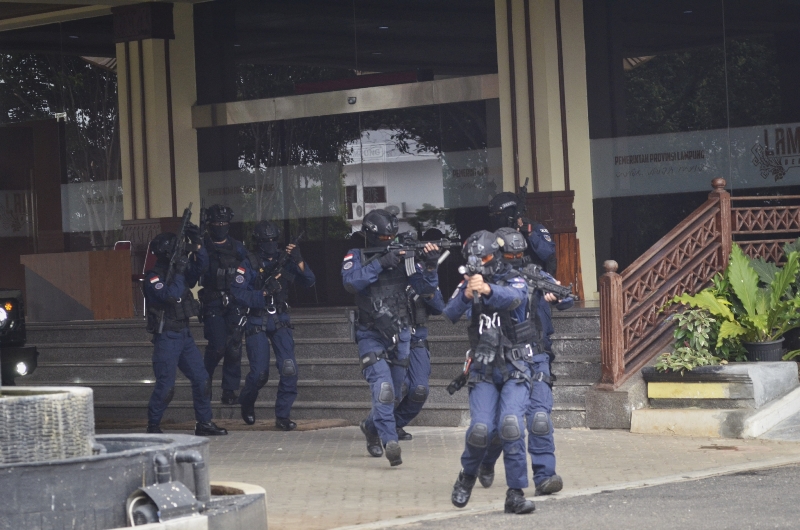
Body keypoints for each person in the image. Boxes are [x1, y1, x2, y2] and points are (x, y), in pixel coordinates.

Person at [444, 230, 536, 515]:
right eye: (475, 260)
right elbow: (449, 313)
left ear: (494, 257)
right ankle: (467, 476)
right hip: (483, 369)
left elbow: (516, 298)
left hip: (514, 366)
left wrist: (488, 290)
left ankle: (515, 493)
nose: (479, 264)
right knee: (481, 429)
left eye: (483, 259)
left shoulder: (514, 277)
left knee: (510, 426)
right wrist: (468, 293)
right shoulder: (468, 282)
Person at [341, 209, 440, 467]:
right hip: (371, 333)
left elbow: (427, 290)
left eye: (391, 237)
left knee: (398, 393)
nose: (389, 242)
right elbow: (351, 283)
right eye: (384, 238)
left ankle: (372, 427)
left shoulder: (404, 257)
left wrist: (430, 266)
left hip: (402, 333)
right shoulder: (356, 256)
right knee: (384, 390)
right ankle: (389, 441)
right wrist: (380, 263)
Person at [476, 227, 571, 496]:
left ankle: (545, 476)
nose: (516, 258)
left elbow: (567, 298)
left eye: (520, 253)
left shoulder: (535, 274)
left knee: (539, 417)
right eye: (510, 253)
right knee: (506, 424)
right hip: (503, 359)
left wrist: (559, 297)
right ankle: (485, 461)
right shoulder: (486, 280)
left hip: (537, 355)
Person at [230, 220, 316, 430]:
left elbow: (309, 281)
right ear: (258, 241)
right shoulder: (248, 262)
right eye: (265, 241)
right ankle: (247, 402)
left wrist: (298, 259)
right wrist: (264, 293)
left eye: (272, 240)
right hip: (256, 318)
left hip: (280, 318)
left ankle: (283, 416)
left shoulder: (285, 260)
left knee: (289, 368)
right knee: (259, 373)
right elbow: (237, 293)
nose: (270, 244)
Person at [143, 230, 228, 437]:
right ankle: (153, 426)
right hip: (168, 336)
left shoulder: (178, 271)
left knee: (202, 380)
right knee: (166, 386)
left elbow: (200, 269)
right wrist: (179, 272)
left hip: (184, 334)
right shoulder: (154, 277)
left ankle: (204, 423)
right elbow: (169, 296)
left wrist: (198, 246)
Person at [393, 231, 446, 441]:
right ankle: (381, 426)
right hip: (391, 339)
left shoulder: (422, 273)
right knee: (392, 391)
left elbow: (439, 307)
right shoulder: (385, 272)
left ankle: (394, 424)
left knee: (419, 390)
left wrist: (427, 285)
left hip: (416, 339)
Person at [198, 204, 248, 405]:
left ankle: (229, 391)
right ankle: (204, 382)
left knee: (234, 347)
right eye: (216, 223)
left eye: (224, 223)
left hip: (234, 300)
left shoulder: (237, 247)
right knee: (217, 346)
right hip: (213, 302)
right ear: (209, 225)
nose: (220, 226)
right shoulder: (203, 246)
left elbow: (249, 270)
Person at [488, 191, 557, 275]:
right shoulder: (499, 234)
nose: (496, 218)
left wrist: (530, 234)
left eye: (499, 215)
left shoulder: (534, 228)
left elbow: (549, 255)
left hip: (535, 279)